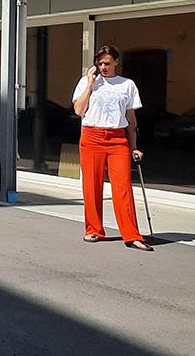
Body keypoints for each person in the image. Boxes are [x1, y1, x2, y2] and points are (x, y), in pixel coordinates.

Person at [72, 45, 153, 252]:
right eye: (99, 63)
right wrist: (90, 84)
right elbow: (79, 110)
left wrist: (134, 146)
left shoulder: (127, 85)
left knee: (123, 187)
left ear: (116, 62)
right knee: (91, 185)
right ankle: (94, 229)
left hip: (117, 138)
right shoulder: (86, 82)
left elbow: (131, 120)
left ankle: (132, 235)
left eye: (107, 63)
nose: (103, 67)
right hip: (91, 136)